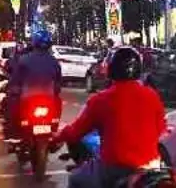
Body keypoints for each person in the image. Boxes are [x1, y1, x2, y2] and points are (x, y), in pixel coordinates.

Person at [53, 47, 168, 188]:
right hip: (151, 168)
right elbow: (161, 129)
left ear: (111, 70)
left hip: (116, 168)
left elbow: (76, 130)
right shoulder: (152, 96)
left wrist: (57, 137)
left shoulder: (102, 99)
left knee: (76, 179)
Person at [4, 29, 62, 140]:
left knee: (10, 104)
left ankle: (12, 135)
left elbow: (15, 80)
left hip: (28, 98)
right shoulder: (54, 62)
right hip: (48, 99)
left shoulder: (23, 60)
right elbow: (58, 83)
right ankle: (53, 129)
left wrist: (13, 89)